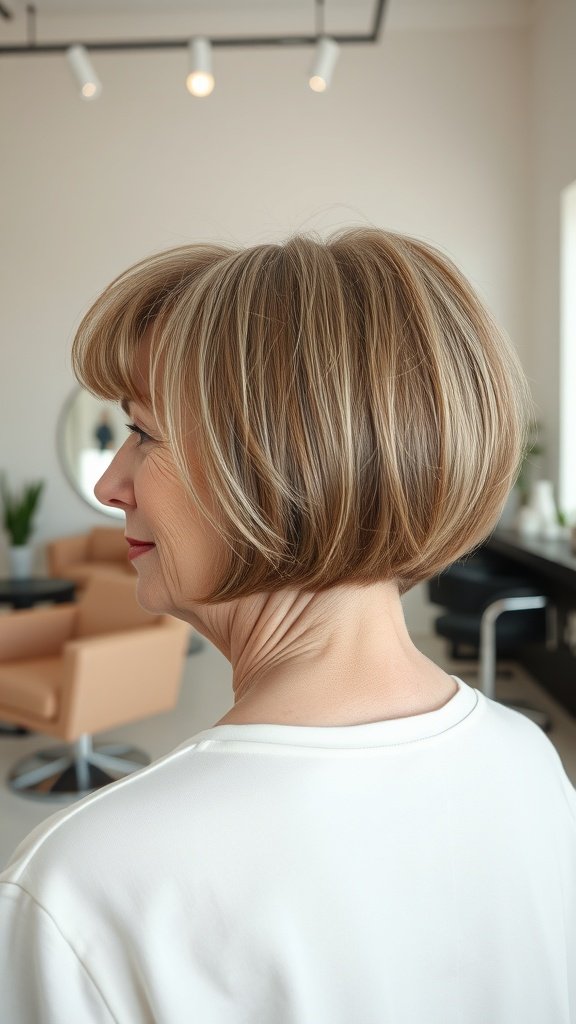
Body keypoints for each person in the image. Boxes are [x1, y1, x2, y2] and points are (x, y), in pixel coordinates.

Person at [1, 228, 575, 1022]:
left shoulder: (89, 884)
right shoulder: (528, 760)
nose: (109, 482)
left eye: (143, 433)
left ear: (277, 465)